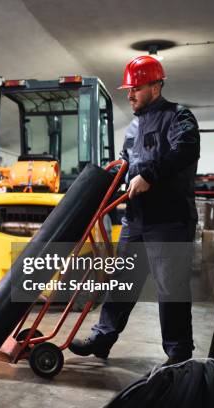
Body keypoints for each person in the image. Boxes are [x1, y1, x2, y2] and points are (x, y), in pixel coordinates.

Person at [69, 55, 200, 366]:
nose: (128, 95)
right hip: (136, 219)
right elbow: (124, 169)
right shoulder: (132, 128)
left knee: (171, 289)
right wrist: (96, 196)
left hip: (170, 220)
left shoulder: (179, 116)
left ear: (156, 87)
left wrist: (150, 175)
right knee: (122, 281)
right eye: (127, 89)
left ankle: (179, 354)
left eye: (135, 88)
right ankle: (101, 340)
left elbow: (186, 149)